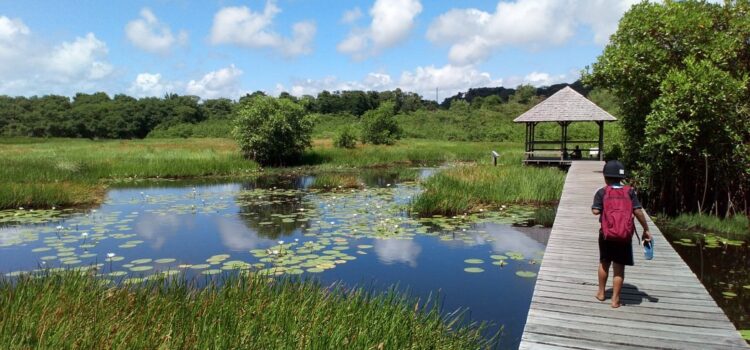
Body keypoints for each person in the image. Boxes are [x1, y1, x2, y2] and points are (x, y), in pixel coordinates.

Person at [591, 160, 652, 308]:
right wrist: (646, 229)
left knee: (604, 263)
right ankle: (615, 300)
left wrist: (605, 210)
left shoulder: (602, 192)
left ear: (605, 177)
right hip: (624, 236)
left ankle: (601, 293)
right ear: (622, 178)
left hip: (606, 234)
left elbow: (595, 211)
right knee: (619, 268)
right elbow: (637, 211)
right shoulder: (629, 192)